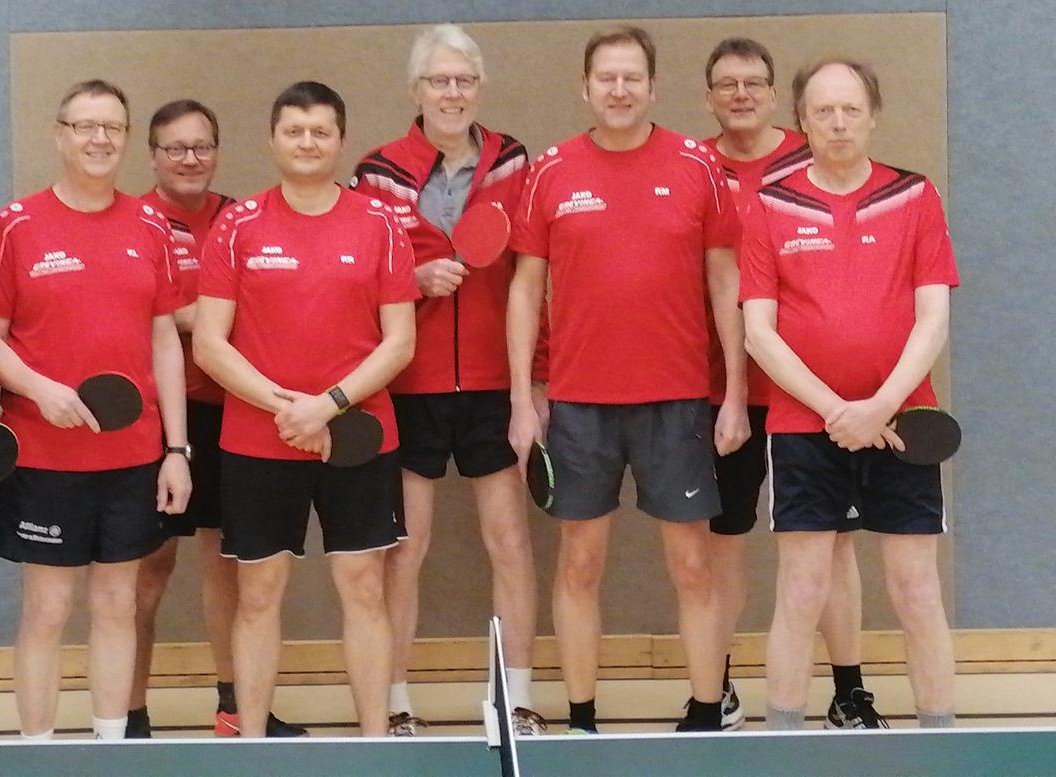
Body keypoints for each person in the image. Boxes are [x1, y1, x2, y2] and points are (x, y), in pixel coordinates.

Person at [505, 26, 743, 734]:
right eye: (605, 77)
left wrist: (731, 392)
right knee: (579, 563)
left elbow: (725, 279)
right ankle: (582, 718)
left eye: (631, 77)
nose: (618, 89)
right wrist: (524, 399)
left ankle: (705, 712)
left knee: (693, 565)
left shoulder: (697, 165)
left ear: (651, 86)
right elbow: (524, 290)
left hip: (678, 400)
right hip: (579, 404)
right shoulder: (551, 171)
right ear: (585, 87)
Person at [193, 81, 417, 739]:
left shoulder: (378, 222)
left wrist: (330, 405)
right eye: (295, 130)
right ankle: (254, 744)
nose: (307, 142)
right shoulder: (237, 225)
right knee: (257, 596)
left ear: (340, 140)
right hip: (258, 441)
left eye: (320, 131)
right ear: (272, 139)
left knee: (365, 588)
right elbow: (209, 342)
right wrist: (285, 406)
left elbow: (401, 340)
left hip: (357, 436)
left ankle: (376, 743)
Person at [741, 60, 959, 730]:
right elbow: (758, 332)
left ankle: (941, 736)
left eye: (850, 110)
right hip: (805, 426)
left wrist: (878, 406)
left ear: (873, 115)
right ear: (801, 120)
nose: (837, 123)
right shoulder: (770, 203)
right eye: (824, 111)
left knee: (916, 589)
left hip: (903, 422)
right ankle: (781, 738)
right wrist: (838, 409)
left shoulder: (915, 196)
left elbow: (933, 317)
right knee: (801, 590)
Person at [349, 24, 542, 737]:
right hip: (409, 382)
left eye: (463, 80)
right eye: (438, 81)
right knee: (408, 545)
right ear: (416, 91)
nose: (452, 93)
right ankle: (395, 698)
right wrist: (415, 279)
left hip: (495, 380)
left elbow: (533, 276)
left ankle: (515, 698)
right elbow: (355, 277)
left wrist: (532, 386)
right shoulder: (377, 171)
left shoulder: (514, 160)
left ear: (479, 88)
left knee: (509, 538)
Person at [0, 79, 191, 740]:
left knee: (116, 603)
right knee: (47, 608)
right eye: (85, 126)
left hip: (132, 456)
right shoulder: (15, 226)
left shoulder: (151, 223)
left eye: (112, 128)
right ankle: (38, 752)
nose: (99, 139)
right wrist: (41, 389)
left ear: (127, 139)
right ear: (60, 133)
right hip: (44, 457)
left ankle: (111, 749)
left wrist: (176, 450)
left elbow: (165, 338)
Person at [700, 36, 875, 730]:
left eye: (754, 83)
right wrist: (735, 391)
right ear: (709, 96)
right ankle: (720, 685)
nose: (741, 95)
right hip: (723, 392)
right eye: (726, 84)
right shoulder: (696, 167)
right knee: (725, 541)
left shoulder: (814, 162)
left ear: (778, 98)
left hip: (812, 397)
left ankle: (848, 689)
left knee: (833, 546)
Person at [127, 98, 306, 738]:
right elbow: (145, 316)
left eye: (202, 146)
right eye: (175, 147)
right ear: (152, 155)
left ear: (218, 152)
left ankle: (234, 708)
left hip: (233, 413)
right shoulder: (136, 222)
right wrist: (208, 316)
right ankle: (130, 714)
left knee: (226, 565)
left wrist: (196, 315)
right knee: (146, 571)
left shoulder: (240, 219)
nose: (190, 159)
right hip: (157, 421)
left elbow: (248, 312)